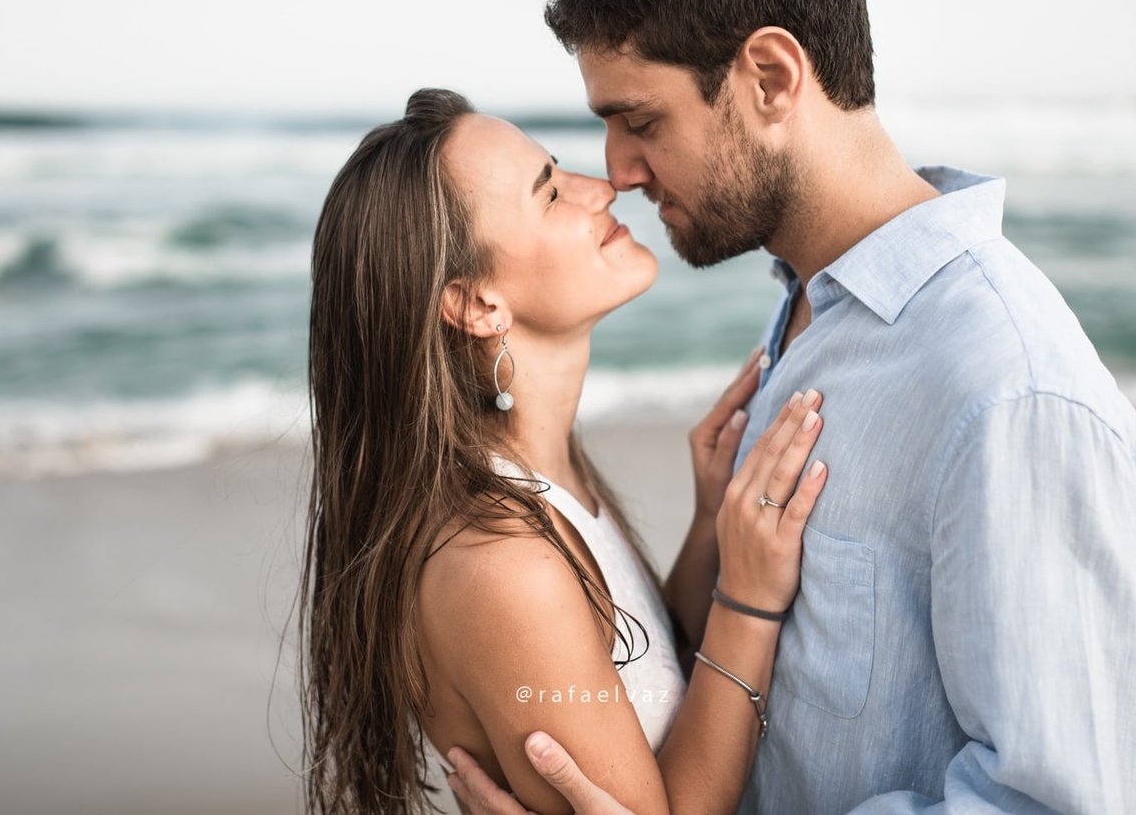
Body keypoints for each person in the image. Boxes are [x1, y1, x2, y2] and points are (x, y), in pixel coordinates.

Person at [449, 0, 1136, 814]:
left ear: (768, 76)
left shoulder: (1007, 389)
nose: (620, 171)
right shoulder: (815, 308)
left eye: (640, 120)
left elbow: (1053, 802)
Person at [297, 86, 837, 815]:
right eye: (549, 193)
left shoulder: (542, 476)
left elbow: (639, 680)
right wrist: (748, 599)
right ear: (478, 303)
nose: (602, 186)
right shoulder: (501, 560)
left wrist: (711, 527)